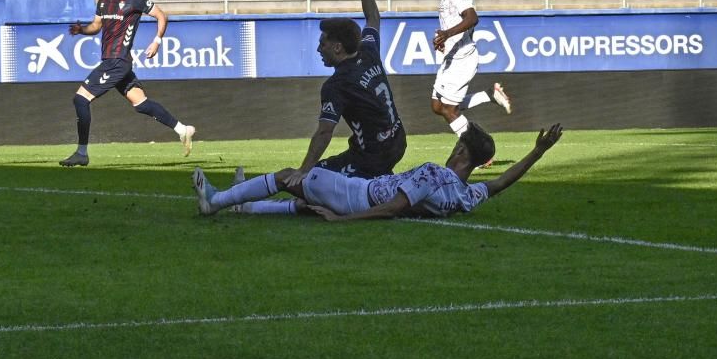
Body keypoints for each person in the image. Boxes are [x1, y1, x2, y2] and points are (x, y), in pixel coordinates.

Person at [193, 123, 565, 220]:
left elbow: (394, 208)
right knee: (305, 203)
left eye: (460, 142)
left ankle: (218, 200)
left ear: (461, 151)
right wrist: (537, 151)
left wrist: (344, 221)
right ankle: (249, 206)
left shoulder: (435, 175)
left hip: (358, 197)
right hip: (362, 192)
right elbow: (500, 183)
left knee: (293, 176)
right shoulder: (466, 196)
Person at [59, 0, 197, 168]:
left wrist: (157, 41)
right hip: (113, 61)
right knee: (141, 104)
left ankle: (82, 152)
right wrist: (82, 30)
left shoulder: (135, 0)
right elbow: (96, 26)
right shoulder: (104, 0)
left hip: (117, 61)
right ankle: (182, 129)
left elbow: (162, 16)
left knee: (80, 99)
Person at [273, 0, 406, 182]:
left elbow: (325, 132)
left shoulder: (338, 84)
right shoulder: (369, 49)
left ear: (337, 47)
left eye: (322, 44)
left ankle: (236, 200)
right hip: (397, 142)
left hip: (371, 156)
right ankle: (379, 183)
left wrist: (304, 170)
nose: (318, 49)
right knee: (336, 195)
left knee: (314, 182)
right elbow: (373, 17)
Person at [428, 0, 511, 141]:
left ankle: (477, 150)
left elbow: (472, 18)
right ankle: (489, 95)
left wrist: (447, 34)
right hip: (452, 56)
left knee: (449, 109)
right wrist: (445, 41)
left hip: (462, 59)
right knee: (437, 106)